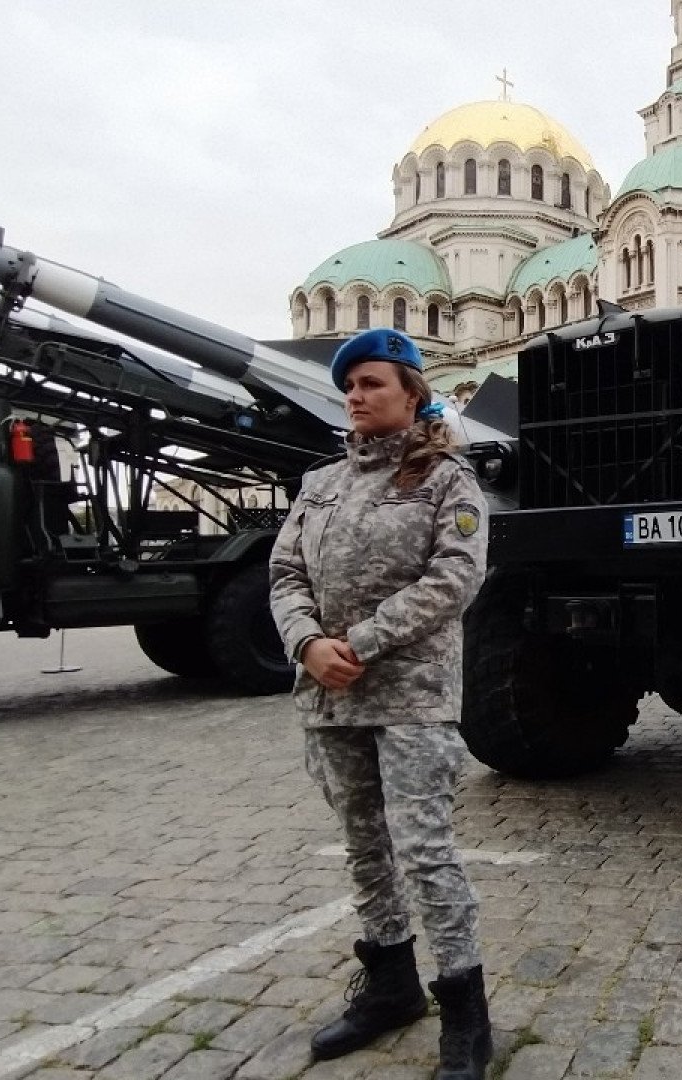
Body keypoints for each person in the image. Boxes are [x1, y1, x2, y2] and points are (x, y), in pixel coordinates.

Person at [269, 327, 493, 1077]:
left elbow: (452, 580)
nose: (357, 396)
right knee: (365, 850)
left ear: (411, 393)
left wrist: (357, 643)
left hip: (412, 696)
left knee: (425, 852)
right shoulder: (318, 485)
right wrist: (306, 644)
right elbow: (285, 577)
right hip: (329, 697)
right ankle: (391, 987)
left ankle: (463, 1006)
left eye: (373, 384)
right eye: (351, 385)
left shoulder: (445, 480)